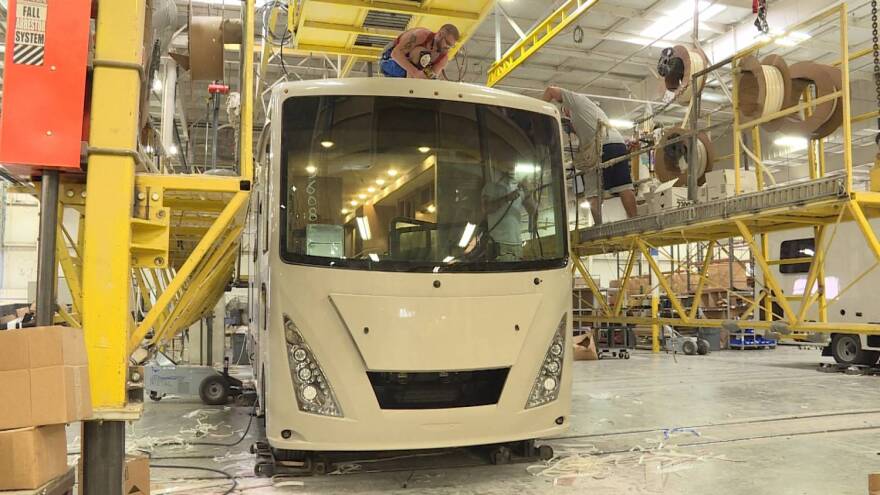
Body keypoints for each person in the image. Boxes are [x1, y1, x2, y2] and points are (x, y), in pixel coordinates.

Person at [542, 86, 637, 224]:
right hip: (617, 143)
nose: (566, 116)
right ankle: (634, 220)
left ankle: (598, 225)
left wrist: (540, 112)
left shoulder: (575, 101)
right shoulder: (591, 113)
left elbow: (550, 90)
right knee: (624, 186)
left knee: (592, 191)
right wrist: (571, 129)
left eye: (565, 112)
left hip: (600, 148)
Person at [481, 162, 536, 261]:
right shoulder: (491, 187)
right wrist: (507, 198)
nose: (513, 170)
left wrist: (526, 189)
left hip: (517, 244)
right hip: (498, 243)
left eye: (514, 167)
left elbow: (532, 210)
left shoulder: (519, 189)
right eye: (509, 166)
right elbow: (486, 208)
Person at [379, 24, 460, 79]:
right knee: (421, 53)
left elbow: (431, 77)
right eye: (447, 43)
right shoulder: (421, 35)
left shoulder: (443, 58)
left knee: (429, 75)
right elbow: (395, 54)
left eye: (451, 46)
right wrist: (415, 73)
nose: (448, 47)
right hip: (389, 61)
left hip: (408, 74)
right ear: (440, 34)